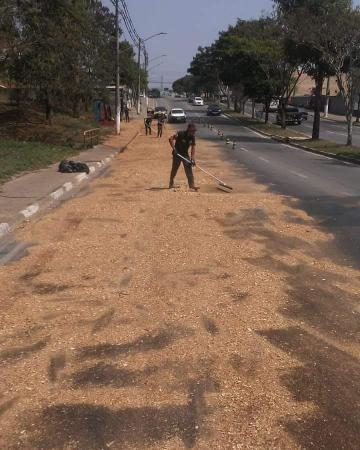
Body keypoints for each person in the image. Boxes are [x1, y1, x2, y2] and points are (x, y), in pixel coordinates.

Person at [168, 123, 198, 190]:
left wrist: (192, 159)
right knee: (174, 169)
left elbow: (193, 148)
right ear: (188, 129)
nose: (193, 132)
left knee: (189, 169)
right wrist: (174, 149)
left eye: (194, 131)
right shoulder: (180, 134)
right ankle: (171, 184)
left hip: (185, 154)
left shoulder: (192, 137)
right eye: (192, 131)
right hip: (177, 154)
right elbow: (170, 139)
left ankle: (192, 186)